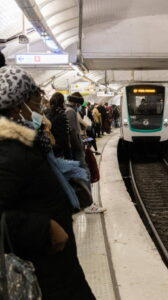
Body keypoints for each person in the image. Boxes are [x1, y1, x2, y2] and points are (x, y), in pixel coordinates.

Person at [0, 66, 95, 299]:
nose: (38, 107)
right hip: (39, 264)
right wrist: (44, 228)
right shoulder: (8, 149)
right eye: (34, 100)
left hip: (53, 262)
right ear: (17, 105)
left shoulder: (22, 141)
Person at [46, 92, 72, 158]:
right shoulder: (62, 115)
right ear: (62, 102)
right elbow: (64, 138)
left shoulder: (46, 113)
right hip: (60, 150)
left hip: (50, 147)